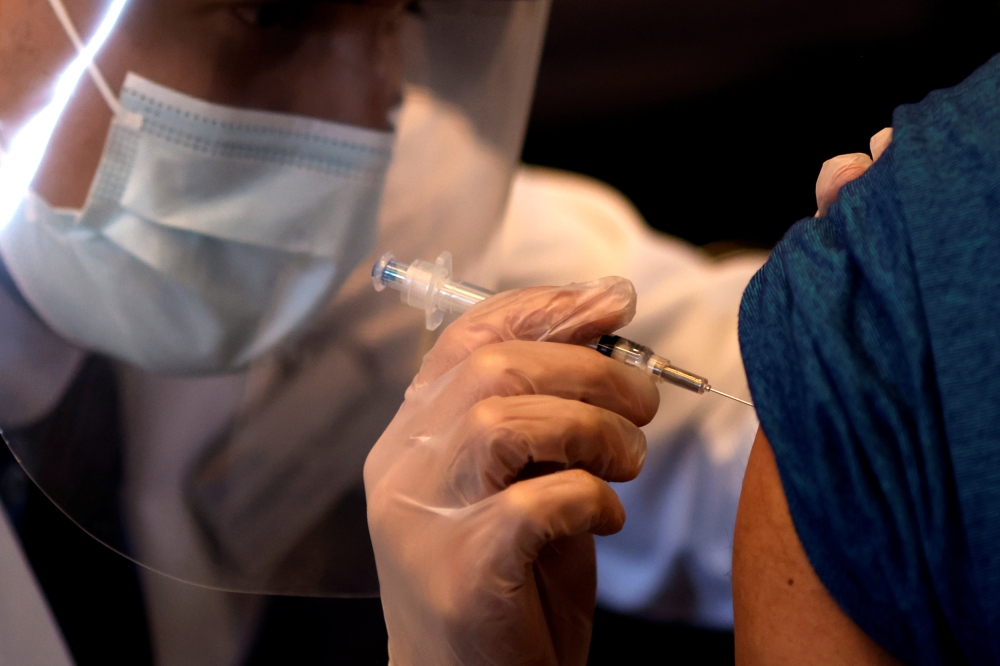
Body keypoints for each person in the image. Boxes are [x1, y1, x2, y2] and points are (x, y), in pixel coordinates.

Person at [0, 0, 761, 663]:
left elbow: (748, 413)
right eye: (275, 12)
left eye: (405, 14)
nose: (369, 117)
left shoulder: (370, 199)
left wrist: (870, 283)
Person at [364, 49, 1000, 666]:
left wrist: (874, 331)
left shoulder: (411, 188)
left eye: (398, 16)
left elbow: (772, 415)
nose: (365, 86)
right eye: (273, 15)